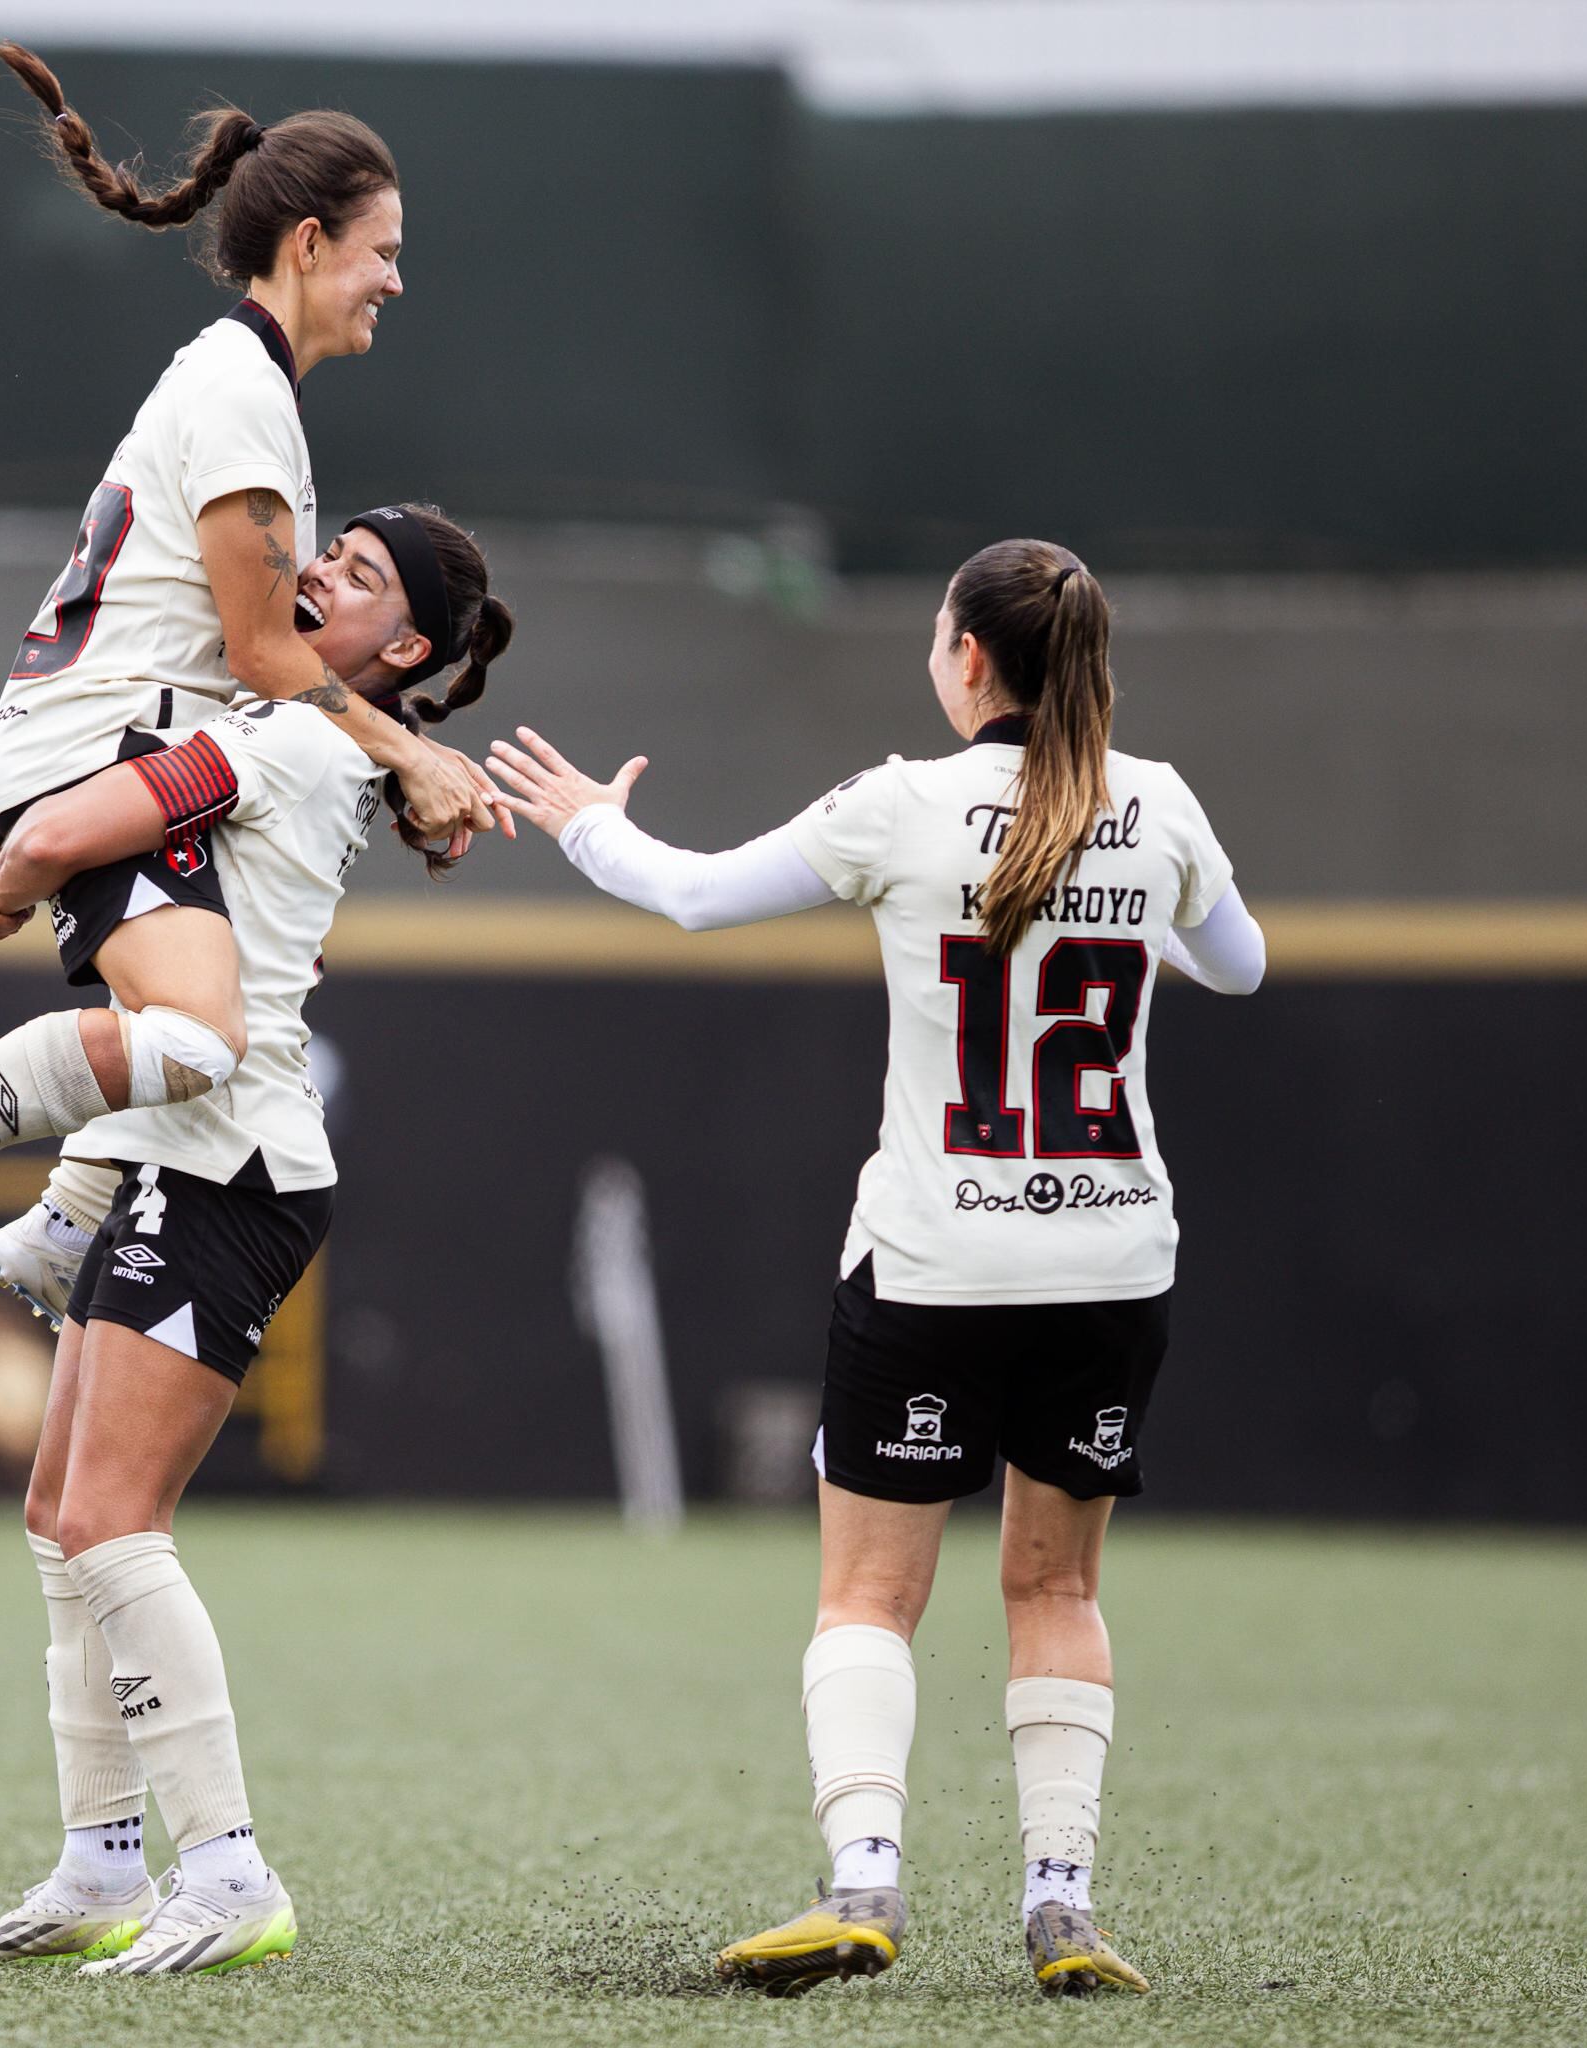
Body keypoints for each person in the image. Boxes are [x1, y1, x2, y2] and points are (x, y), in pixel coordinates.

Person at [487, 540, 1265, 1999]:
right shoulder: (1160, 802)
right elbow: (1244, 966)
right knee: (1056, 1591)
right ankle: (1060, 1906)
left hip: (934, 1264)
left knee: (867, 1598)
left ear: (968, 655)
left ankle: (862, 1886)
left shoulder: (900, 804)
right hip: (1109, 1262)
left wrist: (590, 822)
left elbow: (695, 896)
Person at [0, 42, 496, 1295]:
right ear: (310, 244)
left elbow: (183, 635)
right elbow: (267, 655)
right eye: (382, 247)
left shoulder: (242, 385)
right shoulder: (243, 392)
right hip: (116, 739)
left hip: (98, 733)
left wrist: (3, 818)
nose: (395, 277)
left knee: (232, 999)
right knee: (206, 1034)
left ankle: (72, 1211)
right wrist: (413, 751)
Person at [0, 506, 515, 1977]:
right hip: (171, 1158)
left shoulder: (305, 739)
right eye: (333, 550)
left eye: (363, 578)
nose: (320, 572)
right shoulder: (275, 714)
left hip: (232, 1171)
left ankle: (230, 1870)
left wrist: (4, 846)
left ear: (411, 648)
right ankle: (97, 1866)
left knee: (114, 1525)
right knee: (66, 1524)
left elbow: (75, 830)